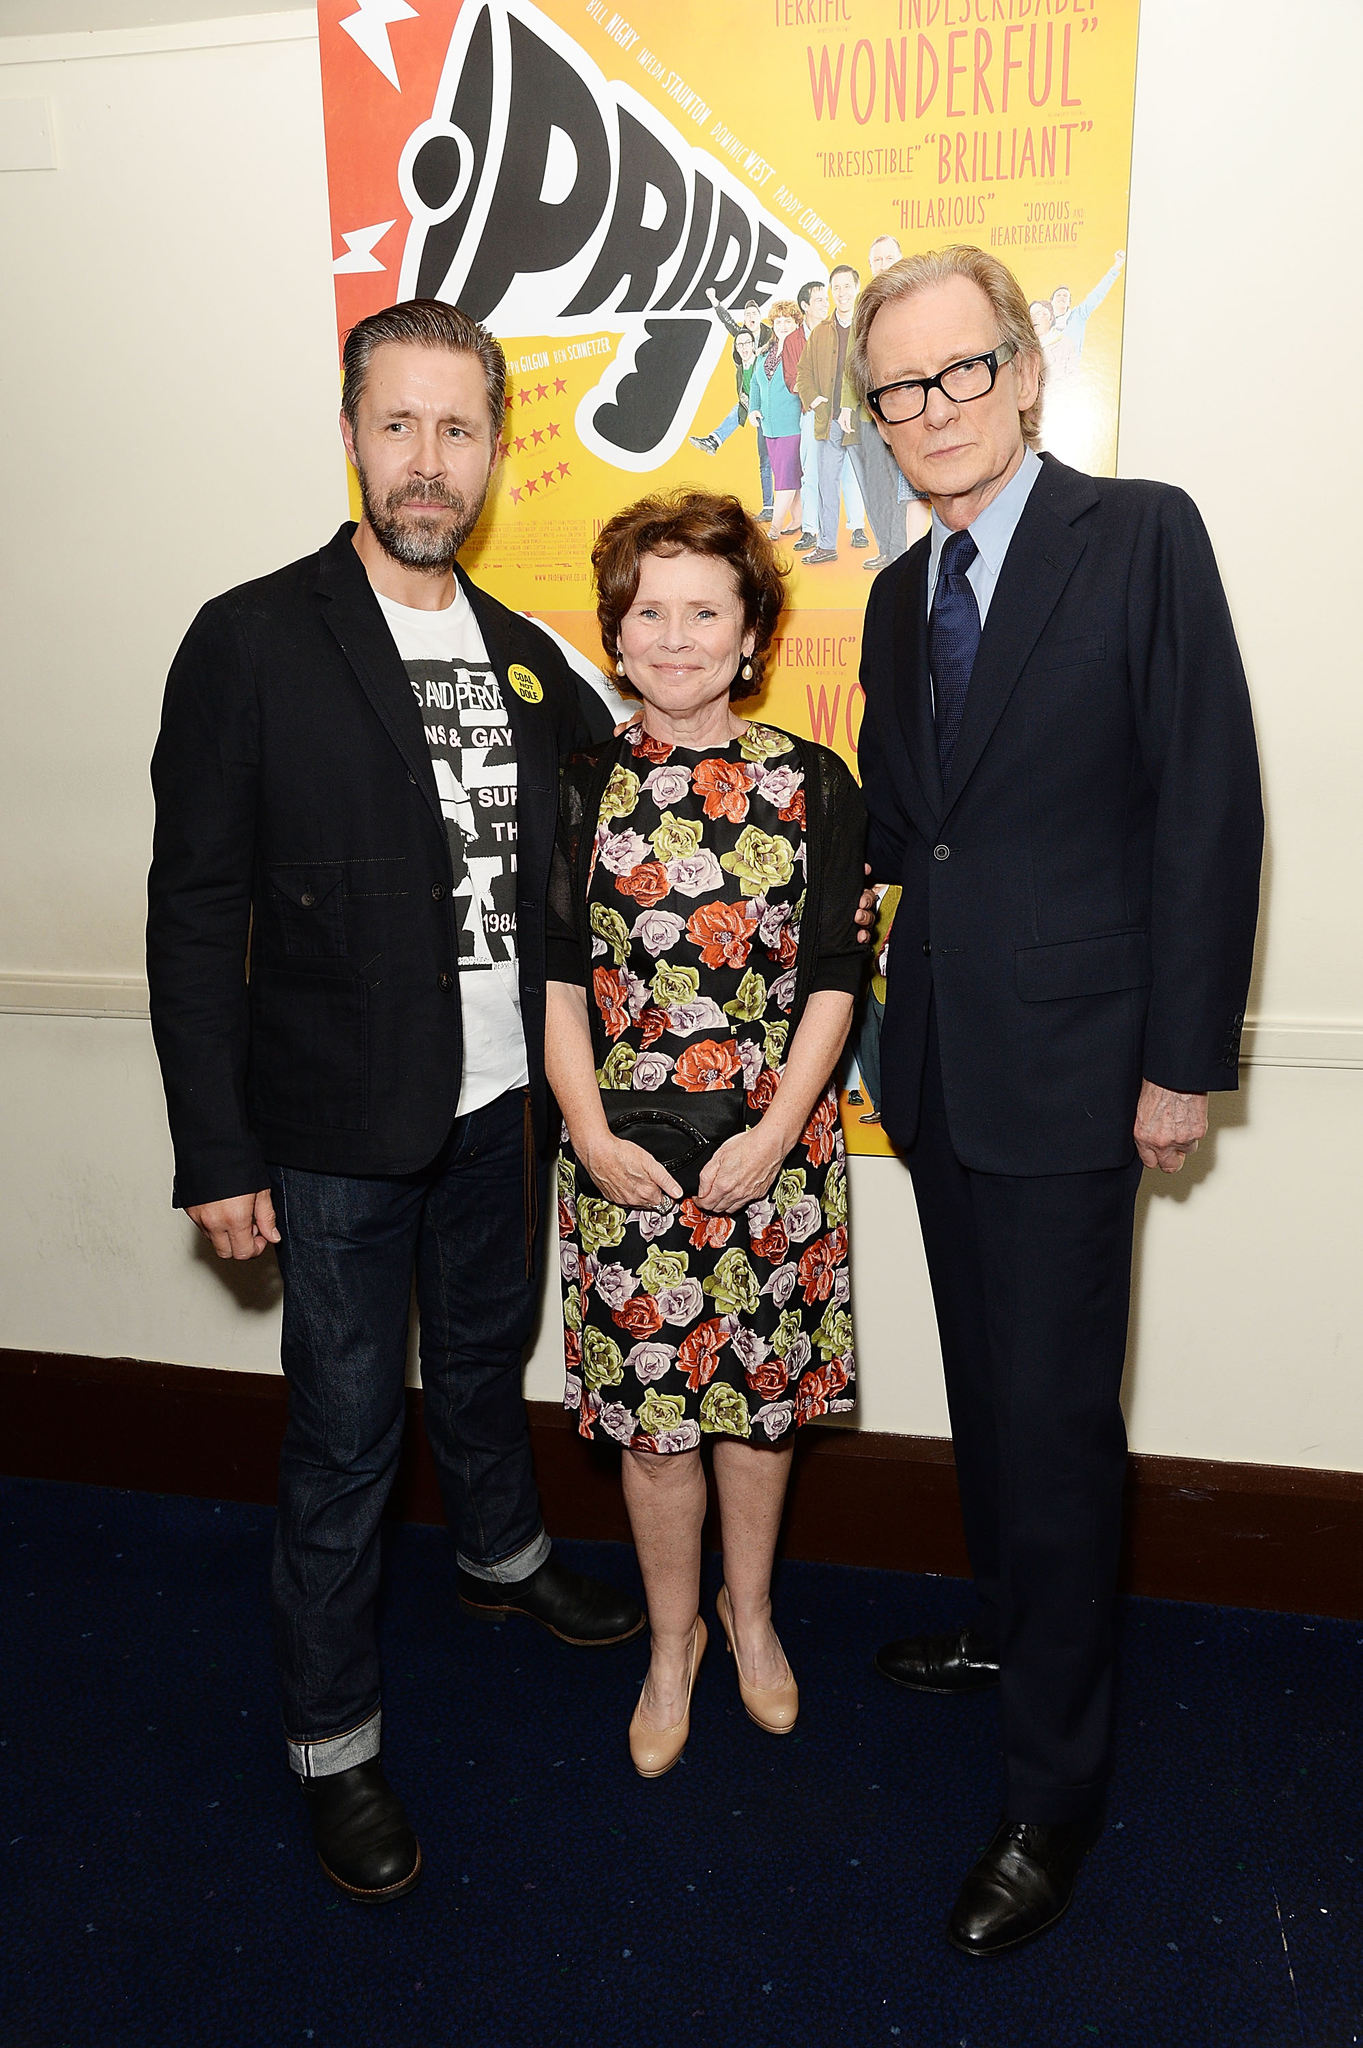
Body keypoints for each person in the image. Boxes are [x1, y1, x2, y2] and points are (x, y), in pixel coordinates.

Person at [146, 299, 645, 1907]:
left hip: (500, 1115)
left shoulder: (523, 655)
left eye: (458, 431)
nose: (427, 463)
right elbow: (191, 908)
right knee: (349, 1434)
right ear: (351, 433)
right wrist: (215, 1150)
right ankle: (332, 1743)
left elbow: (633, 796)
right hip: (333, 1136)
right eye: (398, 426)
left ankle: (501, 1560)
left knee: (489, 1360)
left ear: (496, 452)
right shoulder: (250, 637)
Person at [848, 246, 1262, 1955]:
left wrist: (1179, 1058)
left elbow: (1208, 802)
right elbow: (900, 831)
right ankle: (1022, 1623)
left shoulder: (1139, 533)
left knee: (1052, 1412)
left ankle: (1048, 1790)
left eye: (960, 372)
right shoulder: (890, 594)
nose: (932, 411)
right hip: (938, 1064)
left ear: (1023, 374)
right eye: (897, 390)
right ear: (873, 420)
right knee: (990, 1391)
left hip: (1089, 1066)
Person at [543, 490, 867, 1779]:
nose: (674, 635)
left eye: (704, 610)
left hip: (773, 1148)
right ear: (617, 636)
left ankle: (755, 1617)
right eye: (648, 611)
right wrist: (585, 1131)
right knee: (656, 1424)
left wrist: (780, 1127)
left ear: (750, 635)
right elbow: (557, 979)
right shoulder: (578, 784)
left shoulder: (812, 782)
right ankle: (671, 1642)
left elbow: (837, 973)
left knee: (757, 1417)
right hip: (622, 1150)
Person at [795, 262, 872, 564]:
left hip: (861, 420)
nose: (841, 293)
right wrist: (815, 401)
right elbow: (803, 372)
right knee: (827, 484)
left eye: (847, 287)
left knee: (869, 484)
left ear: (856, 289)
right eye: (836, 287)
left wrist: (854, 406)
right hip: (829, 422)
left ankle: (888, 549)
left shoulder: (867, 327)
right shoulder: (821, 332)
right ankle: (826, 545)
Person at [747, 300, 805, 539]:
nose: (782, 325)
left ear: (796, 323)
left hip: (793, 423)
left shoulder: (803, 350)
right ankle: (799, 519)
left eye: (787, 321)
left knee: (787, 478)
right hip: (769, 426)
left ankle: (775, 527)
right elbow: (754, 382)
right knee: (786, 474)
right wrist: (753, 408)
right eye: (778, 321)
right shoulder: (766, 352)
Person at [792, 279, 829, 552]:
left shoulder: (837, 331)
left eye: (825, 298)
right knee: (811, 474)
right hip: (811, 413)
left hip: (841, 413)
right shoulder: (794, 340)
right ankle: (809, 530)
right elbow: (794, 379)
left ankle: (854, 529)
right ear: (805, 306)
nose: (825, 303)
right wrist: (816, 397)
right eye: (818, 299)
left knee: (848, 476)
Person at [1052, 251, 1125, 360]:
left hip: (1069, 373)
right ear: (1051, 301)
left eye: (1065, 296)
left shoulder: (1078, 315)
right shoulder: (1042, 320)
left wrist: (1117, 266)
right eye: (1058, 295)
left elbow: (1096, 295)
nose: (1062, 297)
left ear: (1069, 303)